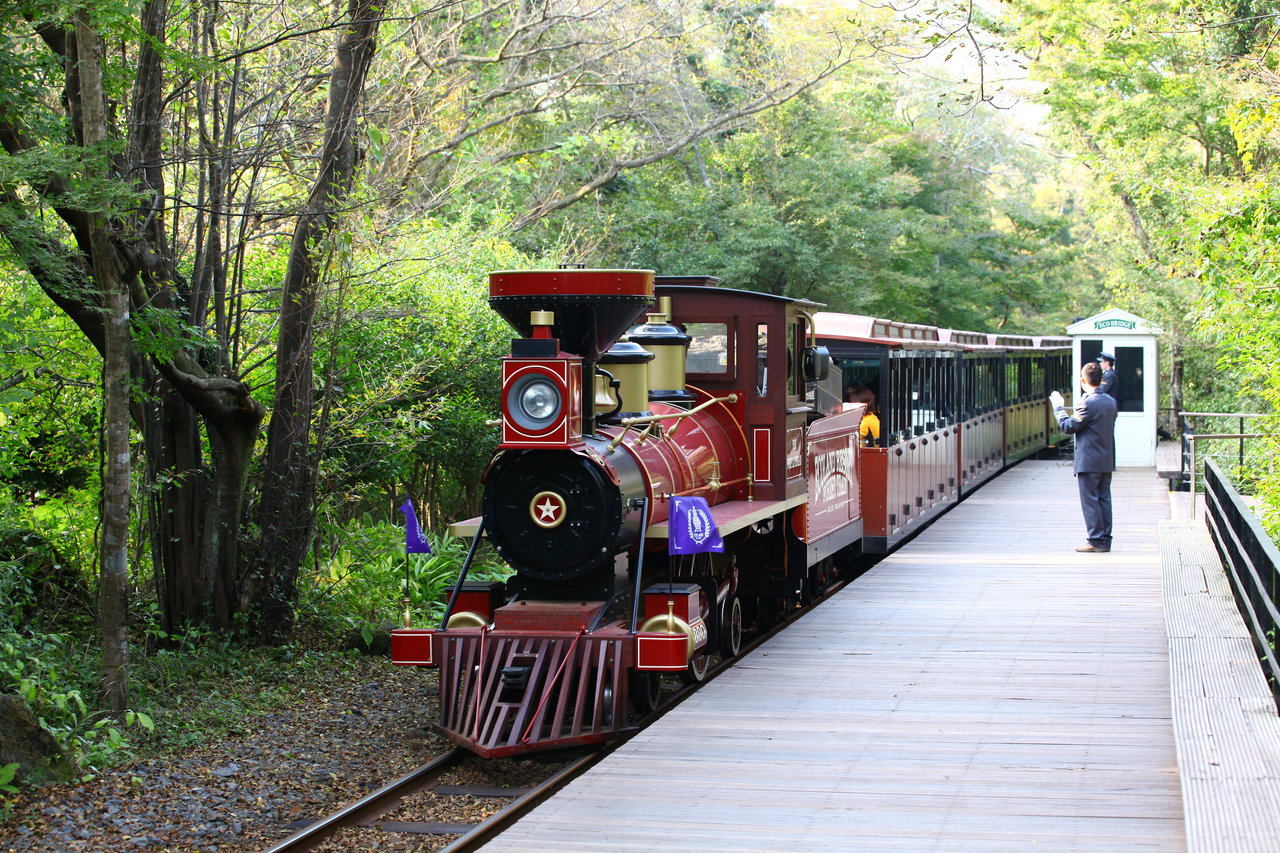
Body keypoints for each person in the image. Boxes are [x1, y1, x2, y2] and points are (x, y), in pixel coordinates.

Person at [1050, 362, 1118, 553]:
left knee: (1090, 500)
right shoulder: (1111, 402)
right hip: (1106, 459)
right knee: (1104, 499)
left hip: (1089, 461)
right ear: (1101, 379)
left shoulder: (1087, 403)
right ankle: (1104, 540)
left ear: (1083, 380)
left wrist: (1058, 408)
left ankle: (1095, 539)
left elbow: (1068, 426)